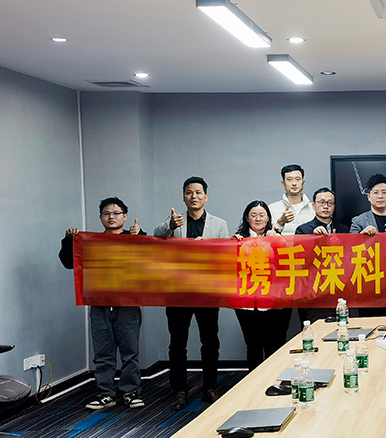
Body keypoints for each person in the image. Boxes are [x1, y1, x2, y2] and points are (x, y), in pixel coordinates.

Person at [59, 197, 146, 410]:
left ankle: (130, 392)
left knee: (130, 352)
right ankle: (106, 393)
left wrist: (141, 235)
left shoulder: (134, 239)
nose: (111, 217)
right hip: (99, 305)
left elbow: (151, 259)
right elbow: (69, 263)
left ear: (125, 216)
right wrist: (69, 240)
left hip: (127, 305)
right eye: (106, 213)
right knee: (103, 353)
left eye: (116, 213)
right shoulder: (90, 241)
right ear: (100, 218)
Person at [154, 176, 230, 410]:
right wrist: (170, 225)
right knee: (177, 343)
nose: (193, 196)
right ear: (183, 197)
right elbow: (156, 237)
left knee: (210, 341)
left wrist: (207, 247)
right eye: (189, 192)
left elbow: (226, 254)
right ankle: (180, 390)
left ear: (206, 196)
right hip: (178, 291)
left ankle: (210, 387)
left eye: (198, 192)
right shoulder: (174, 222)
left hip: (207, 290)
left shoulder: (219, 224)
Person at [232, 201, 290, 371]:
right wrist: (232, 245)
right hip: (247, 302)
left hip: (274, 300)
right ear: (247, 218)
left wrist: (276, 238)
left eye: (261, 215)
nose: (258, 219)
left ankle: (275, 380)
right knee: (253, 345)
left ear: (268, 218)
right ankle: (254, 383)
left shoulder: (276, 237)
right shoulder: (238, 239)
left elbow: (287, 260)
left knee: (275, 345)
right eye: (253, 215)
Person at [269, 164, 315, 236]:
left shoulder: (314, 208)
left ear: (303, 183)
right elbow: (268, 236)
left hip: (309, 244)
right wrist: (280, 222)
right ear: (283, 183)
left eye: (298, 179)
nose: (294, 183)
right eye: (289, 179)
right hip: (283, 244)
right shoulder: (272, 208)